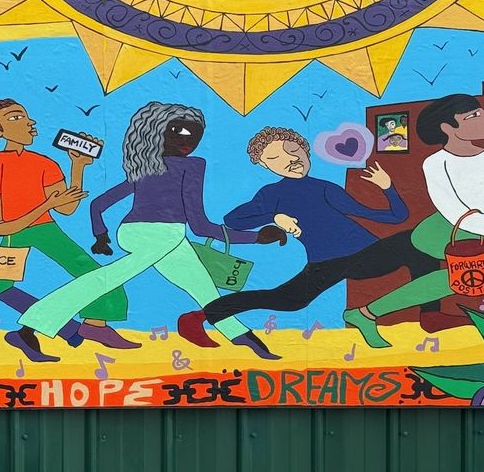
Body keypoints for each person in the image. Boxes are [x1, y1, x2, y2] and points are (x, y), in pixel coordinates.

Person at [15, 101, 284, 359]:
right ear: (158, 131)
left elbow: (98, 204)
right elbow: (200, 226)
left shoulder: (144, 168)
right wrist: (255, 238)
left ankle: (241, 335)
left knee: (202, 286)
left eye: (195, 135)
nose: (188, 140)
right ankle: (31, 326)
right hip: (161, 235)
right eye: (180, 131)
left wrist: (101, 235)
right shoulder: (190, 166)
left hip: (143, 233)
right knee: (107, 279)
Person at [344, 93, 484, 348]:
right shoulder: (435, 164)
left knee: (478, 273)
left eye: (482, 113)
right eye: (473, 116)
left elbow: (480, 212)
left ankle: (365, 313)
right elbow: (460, 215)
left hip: (480, 229)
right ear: (447, 128)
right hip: (443, 230)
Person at [177, 127, 441, 345]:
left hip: (367, 255)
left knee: (417, 244)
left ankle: (431, 315)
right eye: (275, 159)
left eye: (293, 151)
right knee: (287, 300)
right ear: (266, 166)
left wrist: (388, 188)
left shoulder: (325, 188)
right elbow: (233, 219)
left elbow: (395, 217)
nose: (290, 160)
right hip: (325, 263)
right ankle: (198, 316)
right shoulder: (271, 194)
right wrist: (274, 217)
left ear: (305, 149)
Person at [0, 99, 135, 360]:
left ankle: (95, 324)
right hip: (14, 230)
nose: (28, 122)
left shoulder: (45, 163)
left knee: (90, 271)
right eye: (14, 118)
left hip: (45, 228)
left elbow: (66, 209)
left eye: (26, 117)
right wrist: (44, 205)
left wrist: (78, 166)